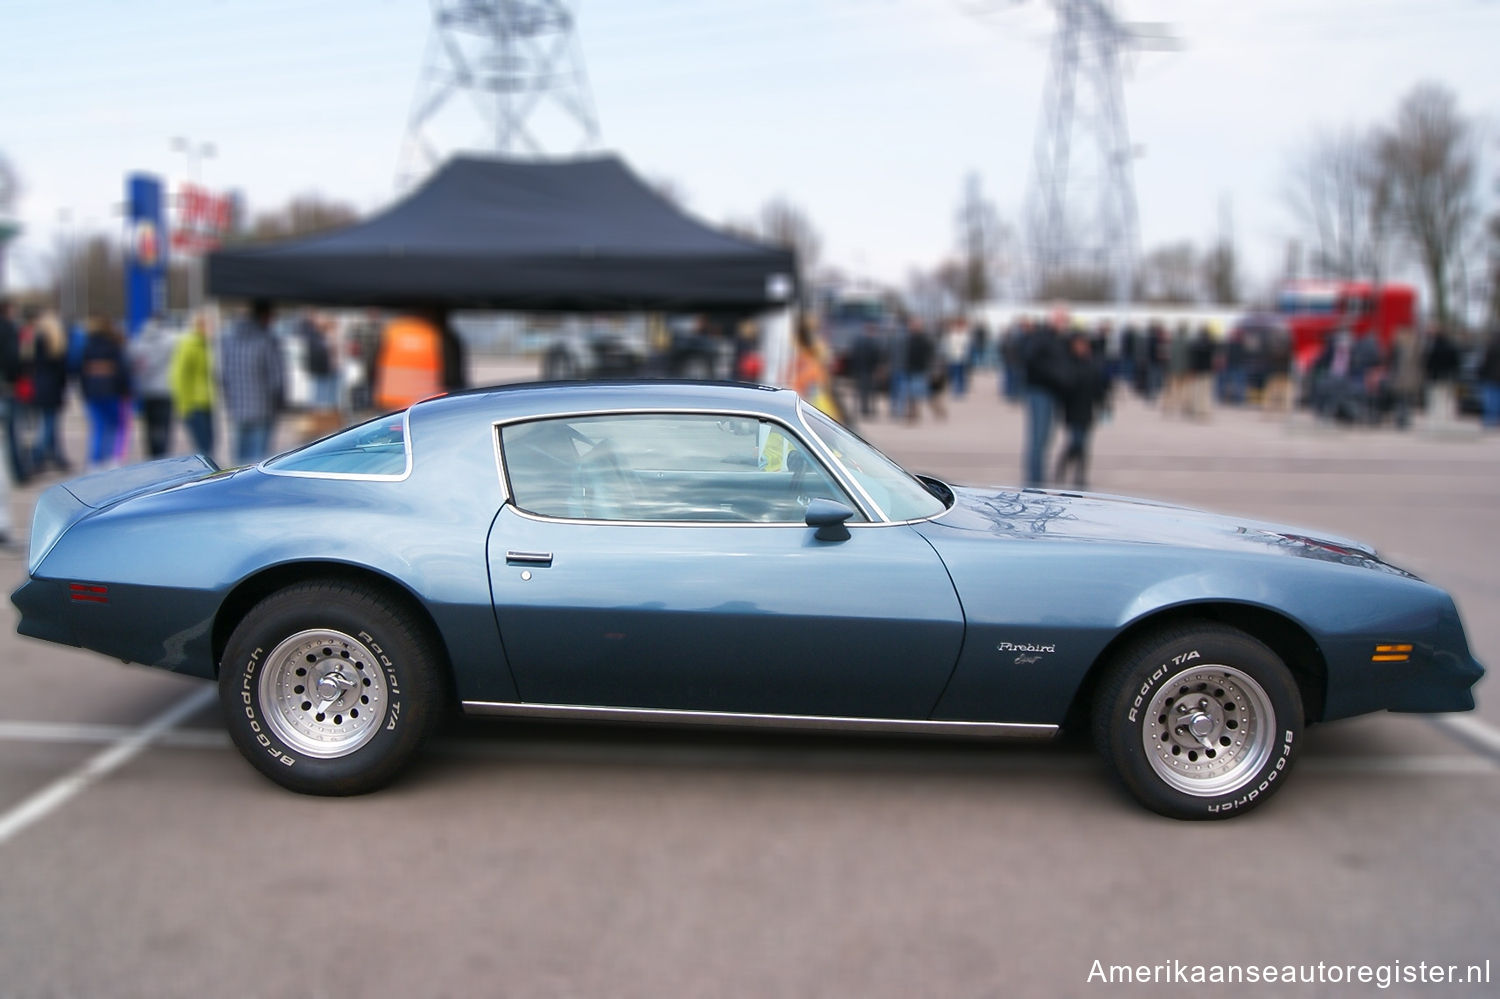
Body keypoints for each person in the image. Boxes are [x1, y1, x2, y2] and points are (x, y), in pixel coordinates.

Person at [220, 299, 285, 464]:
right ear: (264, 316)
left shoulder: (228, 340)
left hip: (237, 408)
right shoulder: (266, 340)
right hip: (262, 409)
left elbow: (223, 375)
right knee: (258, 462)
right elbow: (276, 379)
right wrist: (280, 403)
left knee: (239, 462)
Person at [1053, 331, 1110, 490]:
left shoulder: (1092, 365)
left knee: (1084, 445)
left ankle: (1079, 475)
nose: (1082, 348)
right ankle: (1063, 465)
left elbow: (1099, 388)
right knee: (1076, 442)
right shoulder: (1068, 364)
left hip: (1087, 410)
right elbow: (1063, 388)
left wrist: (1105, 404)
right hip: (1072, 410)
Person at [1019, 312, 1068, 487]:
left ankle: (1038, 477)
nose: (1065, 323)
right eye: (1063, 319)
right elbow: (1031, 361)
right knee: (1038, 438)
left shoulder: (1058, 340)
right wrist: (1055, 376)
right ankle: (1034, 482)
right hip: (1040, 391)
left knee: (1045, 437)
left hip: (1052, 392)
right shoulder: (1041, 338)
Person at [79, 317, 130, 469]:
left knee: (98, 426)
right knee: (116, 425)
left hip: (93, 391)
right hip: (112, 390)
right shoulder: (114, 344)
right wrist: (125, 389)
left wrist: (85, 391)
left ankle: (94, 460)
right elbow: (122, 370)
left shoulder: (86, 346)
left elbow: (81, 372)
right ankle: (113, 458)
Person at [128, 313, 177, 458]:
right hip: (165, 388)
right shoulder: (171, 340)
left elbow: (133, 363)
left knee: (149, 426)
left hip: (146, 389)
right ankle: (163, 455)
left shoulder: (138, 340)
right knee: (164, 426)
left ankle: (152, 455)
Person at [29, 309, 72, 472]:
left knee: (49, 423)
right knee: (50, 424)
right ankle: (38, 457)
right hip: (53, 388)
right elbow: (62, 371)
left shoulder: (37, 342)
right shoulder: (57, 344)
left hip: (40, 386)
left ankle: (56, 456)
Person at [170, 311, 217, 460]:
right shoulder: (189, 345)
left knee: (210, 442)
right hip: (194, 403)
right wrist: (184, 405)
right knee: (203, 445)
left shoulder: (206, 345)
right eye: (209, 325)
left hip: (207, 402)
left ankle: (210, 473)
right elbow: (179, 376)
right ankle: (207, 477)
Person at [1478, 328, 1500, 429]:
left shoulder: (1491, 347)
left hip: (1491, 376)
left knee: (1490, 399)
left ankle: (1489, 420)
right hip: (1494, 376)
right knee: (1496, 399)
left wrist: (1481, 373)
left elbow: (1485, 362)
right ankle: (1494, 419)